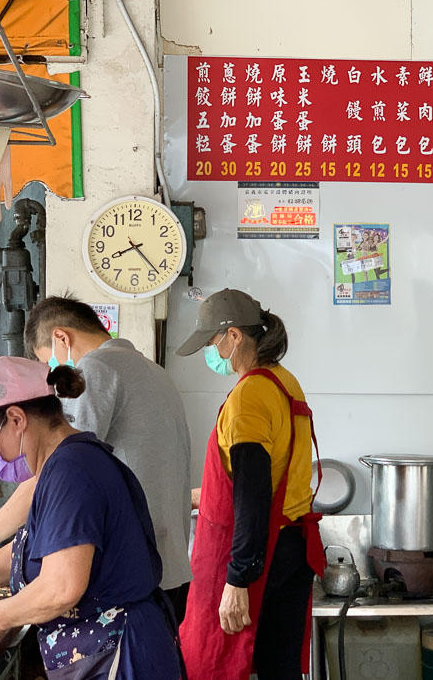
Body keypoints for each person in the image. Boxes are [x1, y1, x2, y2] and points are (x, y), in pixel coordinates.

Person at [0, 357, 182, 679]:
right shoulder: (62, 466)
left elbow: (62, 586)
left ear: (16, 419)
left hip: (119, 656)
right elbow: (26, 552)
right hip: (104, 651)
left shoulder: (73, 471)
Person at [0, 296, 193, 621]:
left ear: (61, 338)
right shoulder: (153, 370)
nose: (55, 376)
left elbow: (57, 465)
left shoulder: (97, 369)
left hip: (129, 580)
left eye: (48, 363)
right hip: (168, 566)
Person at [174, 289, 326, 680]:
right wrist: (198, 496)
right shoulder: (284, 381)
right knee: (280, 667)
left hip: (257, 553)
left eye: (212, 341)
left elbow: (253, 494)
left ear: (234, 336)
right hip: (292, 547)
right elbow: (269, 474)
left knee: (215, 663)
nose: (212, 351)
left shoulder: (249, 396)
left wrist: (238, 578)